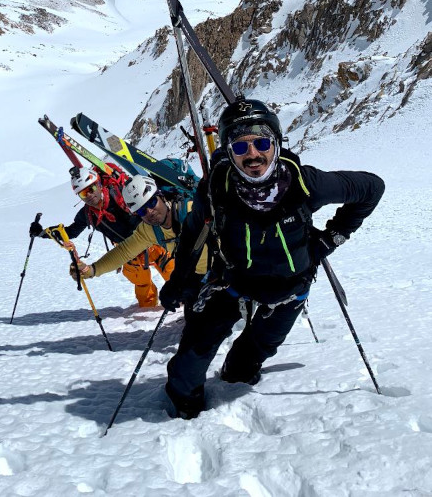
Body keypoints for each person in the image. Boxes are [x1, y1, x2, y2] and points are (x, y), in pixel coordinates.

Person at [160, 97, 385, 420]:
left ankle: (236, 375)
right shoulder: (216, 189)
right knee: (189, 361)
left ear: (276, 144)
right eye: (240, 147)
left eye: (261, 143)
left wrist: (329, 239)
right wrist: (180, 280)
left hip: (290, 288)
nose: (253, 154)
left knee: (250, 358)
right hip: (232, 283)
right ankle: (184, 411)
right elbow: (192, 234)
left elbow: (372, 188)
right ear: (228, 151)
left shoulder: (304, 183)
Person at [30, 166, 171, 307]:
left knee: (175, 275)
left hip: (152, 244)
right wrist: (43, 233)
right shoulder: (87, 214)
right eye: (83, 194)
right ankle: (147, 315)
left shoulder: (121, 196)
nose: (89, 196)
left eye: (90, 189)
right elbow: (71, 232)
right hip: (127, 254)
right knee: (142, 285)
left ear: (98, 184)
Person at [72, 174, 208, 289]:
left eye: (152, 202)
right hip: (202, 279)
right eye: (142, 210)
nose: (149, 212)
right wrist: (92, 270)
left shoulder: (194, 211)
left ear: (161, 195)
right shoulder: (150, 230)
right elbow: (124, 252)